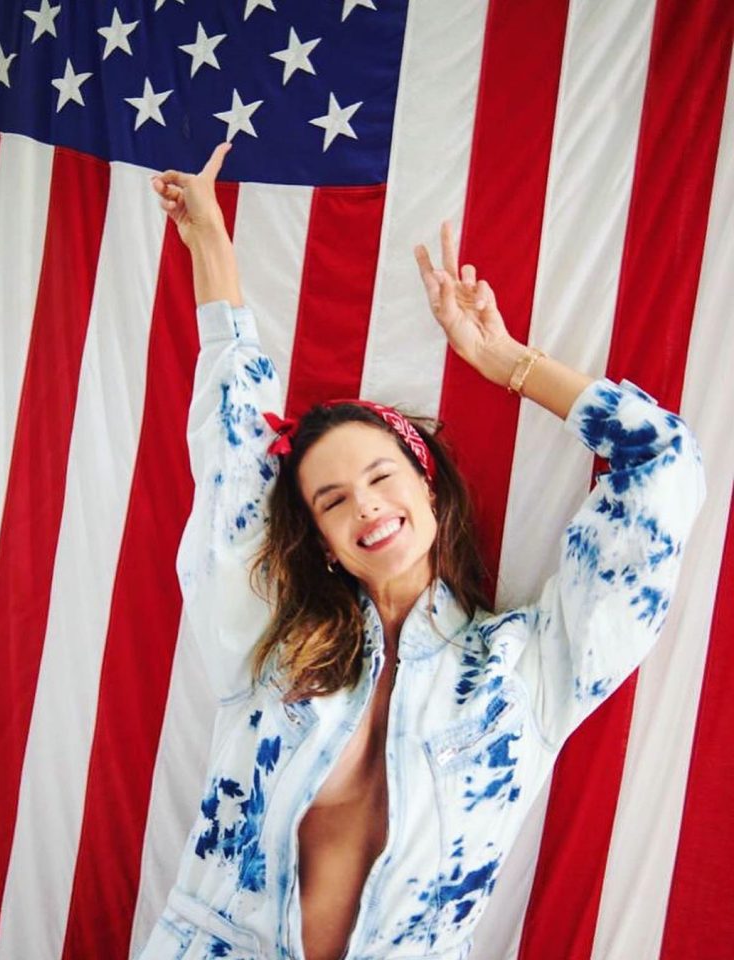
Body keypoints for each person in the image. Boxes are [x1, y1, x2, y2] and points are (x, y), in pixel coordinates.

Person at [137, 143, 705, 960]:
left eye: (381, 477)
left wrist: (506, 362)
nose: (365, 505)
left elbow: (662, 464)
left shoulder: (528, 671)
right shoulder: (268, 642)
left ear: (430, 491)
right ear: (323, 544)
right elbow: (229, 438)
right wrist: (209, 244)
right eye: (333, 500)